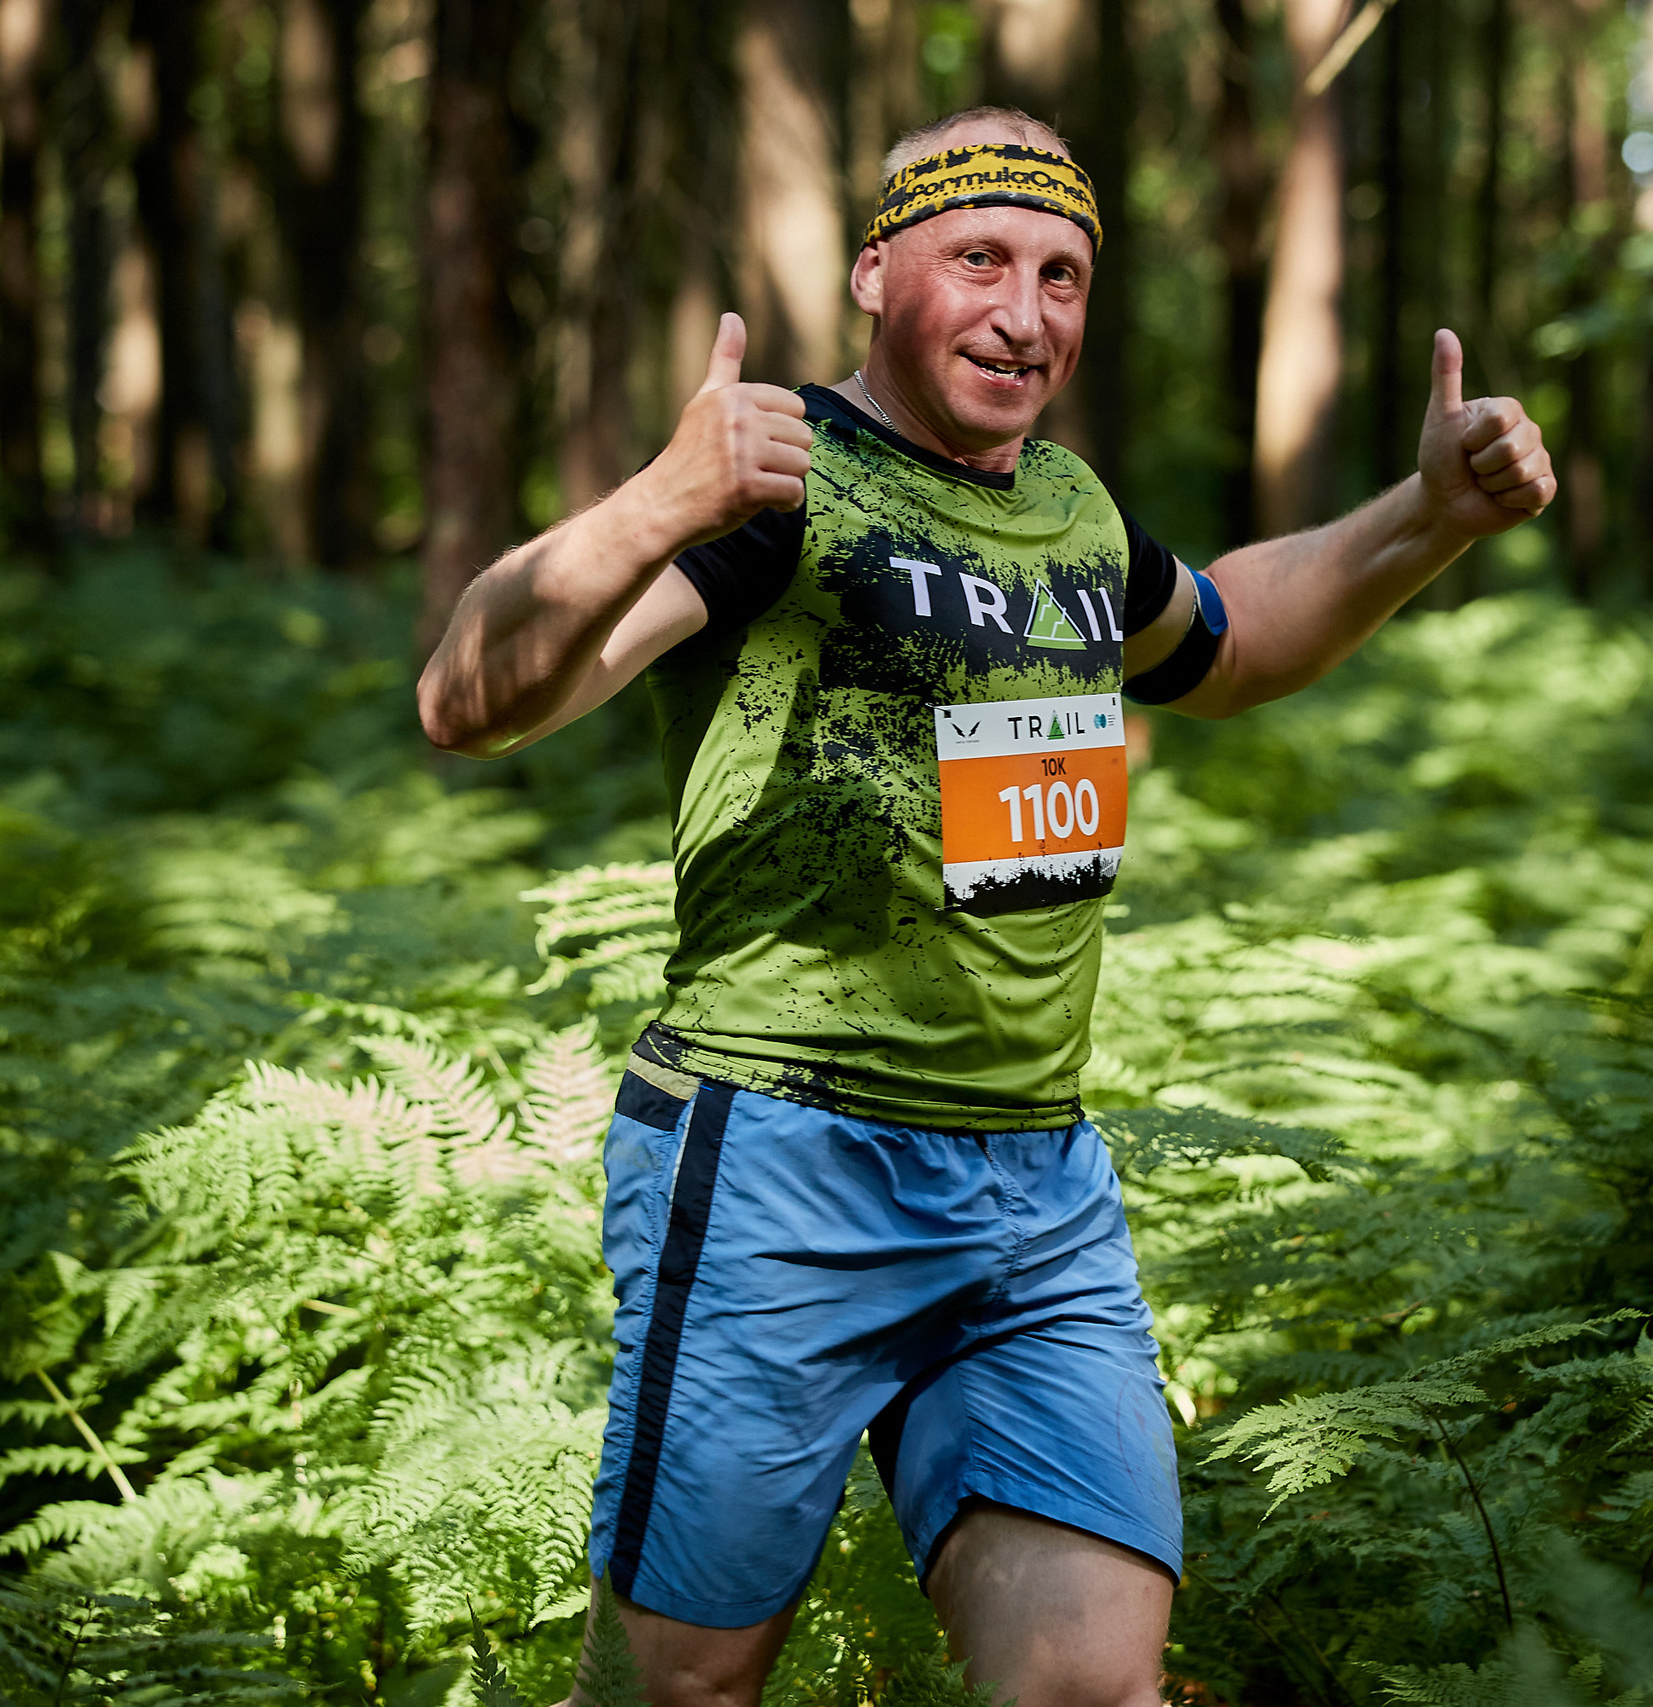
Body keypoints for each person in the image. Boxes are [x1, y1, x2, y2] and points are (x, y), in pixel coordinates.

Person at [417, 106, 1555, 1707]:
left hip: (1035, 1195)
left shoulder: (1072, 517)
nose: (1028, 314)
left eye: (1064, 274)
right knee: (681, 1690)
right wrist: (659, 502)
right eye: (982, 262)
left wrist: (1431, 515)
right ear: (881, 274)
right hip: (779, 1165)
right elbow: (470, 704)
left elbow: (1226, 641)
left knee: (1094, 1690)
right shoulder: (782, 487)